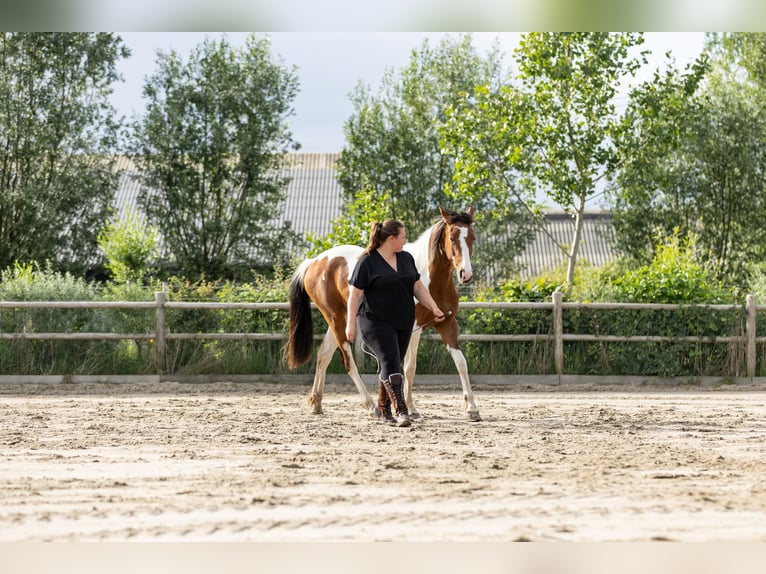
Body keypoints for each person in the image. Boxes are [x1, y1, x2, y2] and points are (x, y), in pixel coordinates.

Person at [345, 219, 446, 427]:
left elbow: (417, 287)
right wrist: (350, 324)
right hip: (375, 321)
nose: (405, 240)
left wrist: (434, 308)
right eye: (402, 236)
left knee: (392, 363)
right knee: (390, 359)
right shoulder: (367, 262)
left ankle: (383, 408)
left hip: (403, 320)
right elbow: (354, 296)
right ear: (391, 239)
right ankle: (401, 410)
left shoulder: (406, 258)